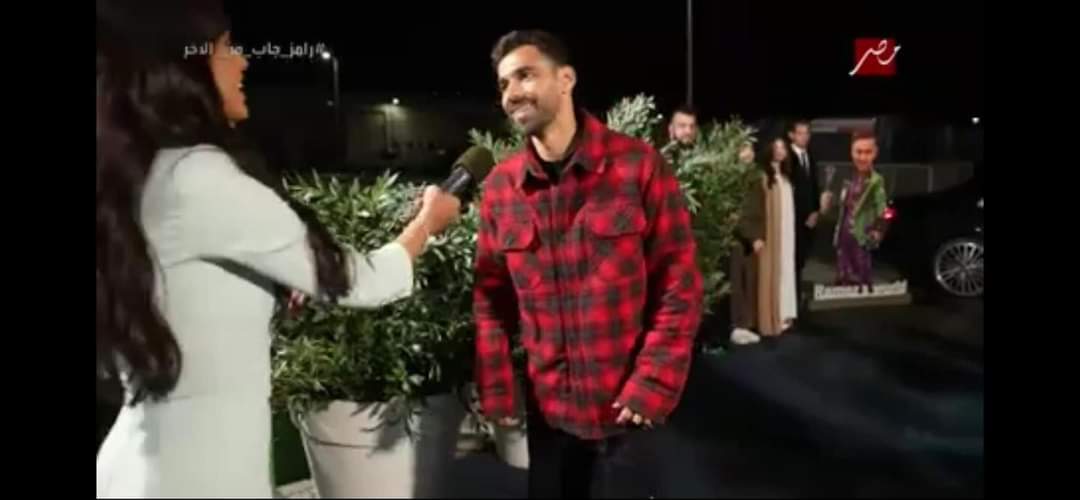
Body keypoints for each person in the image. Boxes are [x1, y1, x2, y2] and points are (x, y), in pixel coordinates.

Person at [95, 1, 462, 497]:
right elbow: (356, 279)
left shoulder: (140, 174)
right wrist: (426, 224)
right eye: (227, 49)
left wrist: (268, 288)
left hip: (148, 465)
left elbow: (186, 299)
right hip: (200, 476)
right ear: (182, 68)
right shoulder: (197, 176)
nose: (243, 61)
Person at [473, 30, 704, 498]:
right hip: (549, 419)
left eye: (525, 75)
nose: (512, 92)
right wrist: (497, 385)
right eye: (503, 83)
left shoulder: (638, 166)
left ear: (566, 79)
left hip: (628, 415)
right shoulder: (501, 188)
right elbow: (489, 298)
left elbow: (679, 284)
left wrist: (653, 381)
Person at [735, 138, 799, 337]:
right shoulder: (762, 177)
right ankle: (770, 316)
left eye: (783, 147)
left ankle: (785, 312)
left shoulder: (786, 177)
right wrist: (757, 235)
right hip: (772, 230)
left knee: (786, 269)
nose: (780, 151)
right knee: (771, 271)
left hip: (787, 232)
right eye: (776, 147)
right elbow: (756, 208)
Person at [832, 130, 888, 290]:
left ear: (875, 153)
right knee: (843, 267)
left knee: (861, 265)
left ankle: (862, 289)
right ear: (851, 152)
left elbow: (883, 209)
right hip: (844, 231)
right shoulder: (846, 176)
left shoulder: (876, 181)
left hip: (863, 231)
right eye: (859, 152)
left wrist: (878, 230)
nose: (863, 157)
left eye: (868, 152)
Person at [786, 120, 831, 303]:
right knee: (792, 261)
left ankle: (797, 297)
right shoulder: (787, 158)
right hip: (791, 219)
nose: (805, 137)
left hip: (809, 219)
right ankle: (792, 298)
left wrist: (815, 211)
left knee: (802, 259)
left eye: (807, 133)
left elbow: (813, 187)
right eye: (800, 133)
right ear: (792, 135)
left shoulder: (810, 157)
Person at [728, 142, 763, 345]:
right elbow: (735, 211)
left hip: (754, 237)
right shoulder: (733, 177)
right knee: (737, 281)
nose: (748, 153)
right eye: (743, 149)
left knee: (750, 281)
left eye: (750, 149)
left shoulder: (755, 176)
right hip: (737, 237)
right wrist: (752, 236)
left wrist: (760, 235)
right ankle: (737, 326)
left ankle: (746, 325)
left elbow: (759, 209)